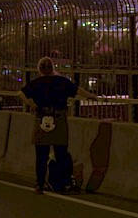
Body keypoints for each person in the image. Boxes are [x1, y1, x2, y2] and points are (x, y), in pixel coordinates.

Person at [17, 57, 98, 194]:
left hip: (41, 118)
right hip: (59, 119)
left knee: (41, 155)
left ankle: (40, 185)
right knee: (61, 153)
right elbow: (77, 90)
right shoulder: (61, 81)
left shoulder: (36, 83)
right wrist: (91, 96)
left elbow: (20, 93)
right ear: (52, 68)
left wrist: (31, 104)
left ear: (40, 69)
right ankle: (63, 184)